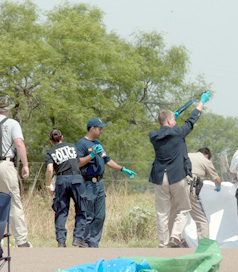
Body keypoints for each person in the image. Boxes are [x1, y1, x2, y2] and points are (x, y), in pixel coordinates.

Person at [149, 91, 210, 248]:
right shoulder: (178, 132)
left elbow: (164, 129)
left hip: (159, 178)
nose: (176, 123)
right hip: (177, 177)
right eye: (173, 121)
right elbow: (191, 120)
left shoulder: (153, 135)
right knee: (183, 208)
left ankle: (163, 245)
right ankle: (175, 235)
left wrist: (171, 119)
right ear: (170, 121)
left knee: (162, 213)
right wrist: (201, 103)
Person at [76, 117, 137, 247]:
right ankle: (84, 243)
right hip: (87, 183)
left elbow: (107, 160)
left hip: (99, 184)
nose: (101, 131)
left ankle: (94, 244)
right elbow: (78, 163)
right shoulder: (81, 144)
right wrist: (91, 156)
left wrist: (123, 169)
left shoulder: (98, 144)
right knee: (88, 215)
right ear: (92, 128)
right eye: (99, 128)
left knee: (100, 216)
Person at [44, 129, 88, 248]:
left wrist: (48, 185)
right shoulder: (72, 147)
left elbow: (49, 170)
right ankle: (78, 238)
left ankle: (61, 241)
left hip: (62, 180)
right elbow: (78, 162)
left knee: (61, 211)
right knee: (81, 208)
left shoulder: (51, 152)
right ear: (62, 137)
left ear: (51, 140)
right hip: (76, 178)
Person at [168, 147, 222, 242]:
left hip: (173, 186)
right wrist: (218, 186)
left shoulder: (185, 155)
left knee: (174, 214)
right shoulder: (205, 160)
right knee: (201, 219)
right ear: (207, 155)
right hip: (189, 187)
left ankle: (171, 239)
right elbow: (216, 179)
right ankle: (204, 244)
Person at [0, 95, 32, 248]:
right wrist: (25, 165)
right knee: (13, 201)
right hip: (5, 165)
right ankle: (21, 240)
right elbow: (19, 143)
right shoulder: (12, 123)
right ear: (7, 109)